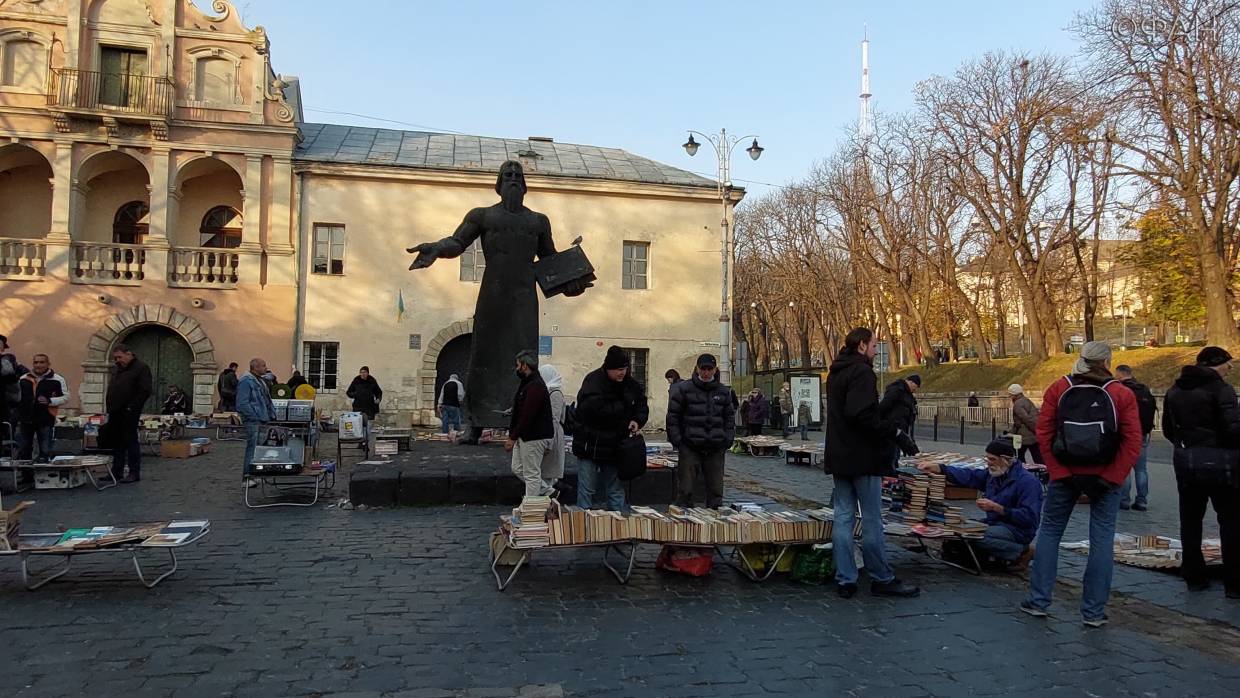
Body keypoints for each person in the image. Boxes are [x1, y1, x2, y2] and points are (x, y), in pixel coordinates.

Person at [407, 161, 591, 438]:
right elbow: (457, 243)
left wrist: (571, 284)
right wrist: (435, 248)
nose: (513, 179)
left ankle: (521, 422)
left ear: (525, 185)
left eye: (518, 176)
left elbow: (549, 259)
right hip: (493, 292)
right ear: (499, 183)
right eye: (508, 175)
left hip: (524, 295)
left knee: (526, 357)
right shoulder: (482, 215)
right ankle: (475, 424)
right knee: (483, 353)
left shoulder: (538, 221)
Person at [1022, 341, 1142, 627]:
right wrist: (1111, 477)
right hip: (1105, 476)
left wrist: (1059, 472)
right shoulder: (1120, 393)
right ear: (1108, 362)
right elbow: (1132, 441)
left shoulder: (1059, 388)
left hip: (1065, 475)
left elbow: (1044, 433)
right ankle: (1094, 612)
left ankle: (1039, 601)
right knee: (1102, 539)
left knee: (1050, 533)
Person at [824, 327, 920, 599]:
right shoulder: (862, 372)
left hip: (840, 456)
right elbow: (862, 415)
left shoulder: (836, 372)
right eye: (875, 346)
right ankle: (881, 577)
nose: (877, 351)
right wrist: (895, 433)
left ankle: (845, 578)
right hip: (862, 456)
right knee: (872, 519)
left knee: (843, 517)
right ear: (862, 345)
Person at [1161, 346, 1240, 598]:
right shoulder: (1221, 389)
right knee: (1231, 521)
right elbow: (1233, 429)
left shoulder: (1175, 390)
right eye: (1227, 363)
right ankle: (1234, 583)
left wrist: (1187, 447)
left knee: (1190, 520)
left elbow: (1168, 429)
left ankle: (1194, 576)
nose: (1230, 367)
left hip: (1187, 464)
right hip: (1223, 465)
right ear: (1215, 363)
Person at [918, 439, 1043, 568]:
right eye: (987, 458)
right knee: (957, 531)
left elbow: (1029, 518)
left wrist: (997, 508)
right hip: (994, 523)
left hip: (1017, 529)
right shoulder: (994, 474)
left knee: (973, 537)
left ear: (1006, 460)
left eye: (992, 459)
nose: (989, 463)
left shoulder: (1028, 482)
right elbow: (969, 476)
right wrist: (941, 468)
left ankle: (1022, 552)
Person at [572, 346, 648, 511]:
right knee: (586, 490)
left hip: (615, 447)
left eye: (625, 369)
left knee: (615, 490)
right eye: (619, 369)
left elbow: (642, 405)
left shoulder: (630, 384)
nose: (622, 373)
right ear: (608, 368)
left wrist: (637, 420)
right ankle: (584, 521)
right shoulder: (593, 381)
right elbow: (593, 411)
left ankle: (618, 521)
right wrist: (624, 408)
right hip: (590, 446)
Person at [667, 353, 735, 508]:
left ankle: (715, 516)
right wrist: (678, 441)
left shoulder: (723, 391)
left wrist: (727, 439)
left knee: (716, 490)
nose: (706, 373)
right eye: (703, 369)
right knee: (685, 489)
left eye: (709, 369)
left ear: (715, 370)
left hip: (715, 446)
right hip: (690, 446)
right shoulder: (684, 389)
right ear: (697, 369)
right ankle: (683, 517)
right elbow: (673, 417)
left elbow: (729, 418)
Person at [505, 351, 555, 497]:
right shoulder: (528, 383)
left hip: (534, 436)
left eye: (518, 365)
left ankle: (531, 506)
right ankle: (549, 491)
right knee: (517, 468)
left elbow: (528, 415)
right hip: (525, 435)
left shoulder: (536, 385)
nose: (516, 369)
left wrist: (513, 437)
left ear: (524, 365)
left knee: (531, 474)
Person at [105, 344, 152, 484]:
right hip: (115, 410)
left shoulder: (141, 368)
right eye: (115, 358)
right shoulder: (117, 369)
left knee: (130, 440)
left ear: (129, 354)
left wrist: (132, 407)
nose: (118, 360)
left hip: (129, 411)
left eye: (120, 357)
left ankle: (134, 472)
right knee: (117, 442)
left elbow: (145, 390)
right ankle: (116, 471)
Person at [1116, 364, 1157, 511]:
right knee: (1141, 469)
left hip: (1125, 434)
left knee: (1125, 468)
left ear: (1120, 374)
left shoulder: (1121, 389)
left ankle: (1124, 500)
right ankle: (1142, 501)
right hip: (1142, 434)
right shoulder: (1143, 389)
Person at [16, 353, 69, 462]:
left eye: (42, 362)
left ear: (48, 364)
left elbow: (66, 398)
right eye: (36, 362)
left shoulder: (57, 379)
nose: (38, 365)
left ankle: (43, 472)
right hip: (26, 419)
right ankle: (26, 472)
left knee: (45, 450)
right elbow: (17, 397)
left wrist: (50, 401)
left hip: (46, 419)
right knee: (24, 450)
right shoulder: (23, 378)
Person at [237, 358, 277, 487]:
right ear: (256, 367)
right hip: (254, 420)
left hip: (262, 418)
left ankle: (256, 474)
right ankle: (247, 477)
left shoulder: (259, 380)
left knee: (259, 448)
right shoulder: (246, 381)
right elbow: (242, 403)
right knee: (252, 447)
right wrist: (254, 416)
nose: (266, 368)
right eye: (263, 366)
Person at [879, 374, 920, 468]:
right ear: (911, 382)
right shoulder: (897, 389)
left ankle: (893, 469)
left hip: (900, 426)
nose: (915, 389)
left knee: (896, 453)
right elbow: (885, 404)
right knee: (892, 452)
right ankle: (890, 471)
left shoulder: (905, 392)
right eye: (915, 386)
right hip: (894, 426)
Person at [539, 364, 567, 495]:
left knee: (548, 473)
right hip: (547, 434)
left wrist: (549, 443)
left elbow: (554, 420)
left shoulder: (555, 394)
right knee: (543, 472)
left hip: (552, 436)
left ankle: (550, 495)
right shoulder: (546, 391)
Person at [1008, 384, 1041, 465]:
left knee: (1020, 456)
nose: (1009, 396)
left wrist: (1035, 429)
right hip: (1031, 434)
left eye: (1010, 394)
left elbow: (1026, 419)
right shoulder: (1026, 400)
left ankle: (1022, 470)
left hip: (1024, 435)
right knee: (1036, 455)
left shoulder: (1018, 404)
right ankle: (1043, 469)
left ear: (1014, 394)